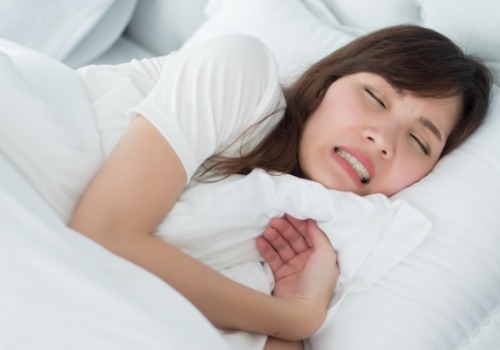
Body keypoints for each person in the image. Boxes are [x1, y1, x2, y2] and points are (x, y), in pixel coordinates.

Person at [70, 24, 492, 350]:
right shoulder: (241, 72)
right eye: (376, 97)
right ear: (326, 84)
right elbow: (102, 234)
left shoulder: (305, 248)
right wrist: (295, 318)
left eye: (420, 141)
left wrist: (294, 315)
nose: (383, 139)